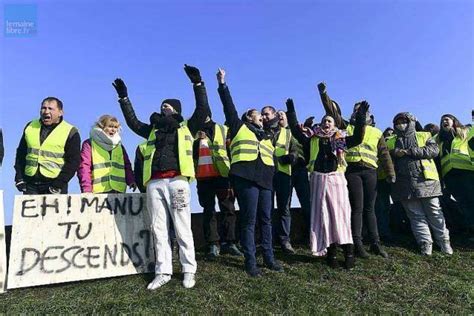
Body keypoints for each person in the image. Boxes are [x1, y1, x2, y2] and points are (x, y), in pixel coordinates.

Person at [112, 64, 208, 289]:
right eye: (162, 105)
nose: (164, 107)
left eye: (169, 105)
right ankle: (163, 271)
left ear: (175, 109)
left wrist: (198, 84)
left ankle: (188, 270)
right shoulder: (153, 129)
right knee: (158, 228)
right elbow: (133, 123)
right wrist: (124, 98)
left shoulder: (187, 127)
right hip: (154, 183)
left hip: (178, 181)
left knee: (183, 227)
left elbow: (202, 109)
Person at [286, 98, 368, 270]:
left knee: (341, 216)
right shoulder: (312, 139)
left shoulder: (341, 139)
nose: (326, 123)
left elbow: (359, 136)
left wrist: (361, 116)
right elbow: (296, 131)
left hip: (336, 180)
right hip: (317, 180)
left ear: (334, 125)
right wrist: (291, 111)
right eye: (324, 121)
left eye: (329, 121)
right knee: (323, 217)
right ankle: (330, 254)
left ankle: (349, 253)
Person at [217, 68, 283, 277]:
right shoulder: (238, 127)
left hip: (265, 179)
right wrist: (222, 84)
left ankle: (269, 258)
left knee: (266, 219)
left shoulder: (267, 136)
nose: (262, 119)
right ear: (249, 117)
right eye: (258, 116)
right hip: (245, 178)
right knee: (249, 219)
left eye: (263, 117)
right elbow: (229, 107)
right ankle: (251, 262)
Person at [317, 82, 394, 259]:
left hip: (370, 171)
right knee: (357, 207)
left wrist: (390, 173)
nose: (358, 113)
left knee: (370, 208)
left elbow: (384, 154)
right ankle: (357, 243)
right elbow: (332, 111)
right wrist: (324, 94)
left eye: (362, 111)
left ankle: (376, 243)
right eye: (356, 110)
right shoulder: (345, 127)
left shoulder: (376, 131)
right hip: (352, 171)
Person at [387, 112, 453, 256]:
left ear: (410, 121)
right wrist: (394, 152)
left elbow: (434, 150)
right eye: (397, 122)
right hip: (404, 184)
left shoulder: (424, 135)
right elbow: (386, 157)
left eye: (403, 121)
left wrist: (408, 151)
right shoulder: (391, 140)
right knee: (415, 215)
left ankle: (444, 242)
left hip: (427, 180)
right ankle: (425, 243)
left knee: (435, 212)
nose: (400, 124)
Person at [193, 110, 242, 259]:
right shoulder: (192, 131)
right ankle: (213, 244)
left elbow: (230, 149)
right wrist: (196, 141)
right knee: (208, 210)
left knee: (228, 208)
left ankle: (230, 242)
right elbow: (187, 152)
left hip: (222, 174)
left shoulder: (223, 129)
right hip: (203, 177)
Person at [14, 97, 81, 194]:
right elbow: (21, 154)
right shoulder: (30, 126)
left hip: (55, 185)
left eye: (50, 108)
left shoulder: (71, 132)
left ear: (60, 112)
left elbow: (73, 162)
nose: (46, 111)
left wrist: (58, 184)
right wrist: (19, 178)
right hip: (30, 184)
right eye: (43, 108)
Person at [261, 106, 298, 254]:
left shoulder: (288, 133)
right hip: (266, 175)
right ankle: (267, 241)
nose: (264, 117)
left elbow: (296, 150)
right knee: (266, 210)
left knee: (284, 208)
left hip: (283, 174)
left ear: (275, 115)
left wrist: (292, 157)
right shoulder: (261, 132)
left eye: (266, 114)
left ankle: (284, 240)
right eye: (262, 115)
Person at [78, 115, 136, 193]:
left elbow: (127, 166)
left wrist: (131, 180)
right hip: (97, 191)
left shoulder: (119, 146)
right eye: (110, 126)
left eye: (115, 127)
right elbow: (84, 167)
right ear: (102, 127)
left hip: (118, 190)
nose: (113, 130)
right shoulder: (89, 144)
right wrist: (86, 188)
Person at [435, 114, 474, 231]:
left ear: (454, 121)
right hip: (450, 176)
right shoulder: (439, 140)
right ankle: (471, 228)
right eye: (442, 120)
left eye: (447, 119)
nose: (444, 121)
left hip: (466, 171)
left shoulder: (465, 132)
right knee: (463, 203)